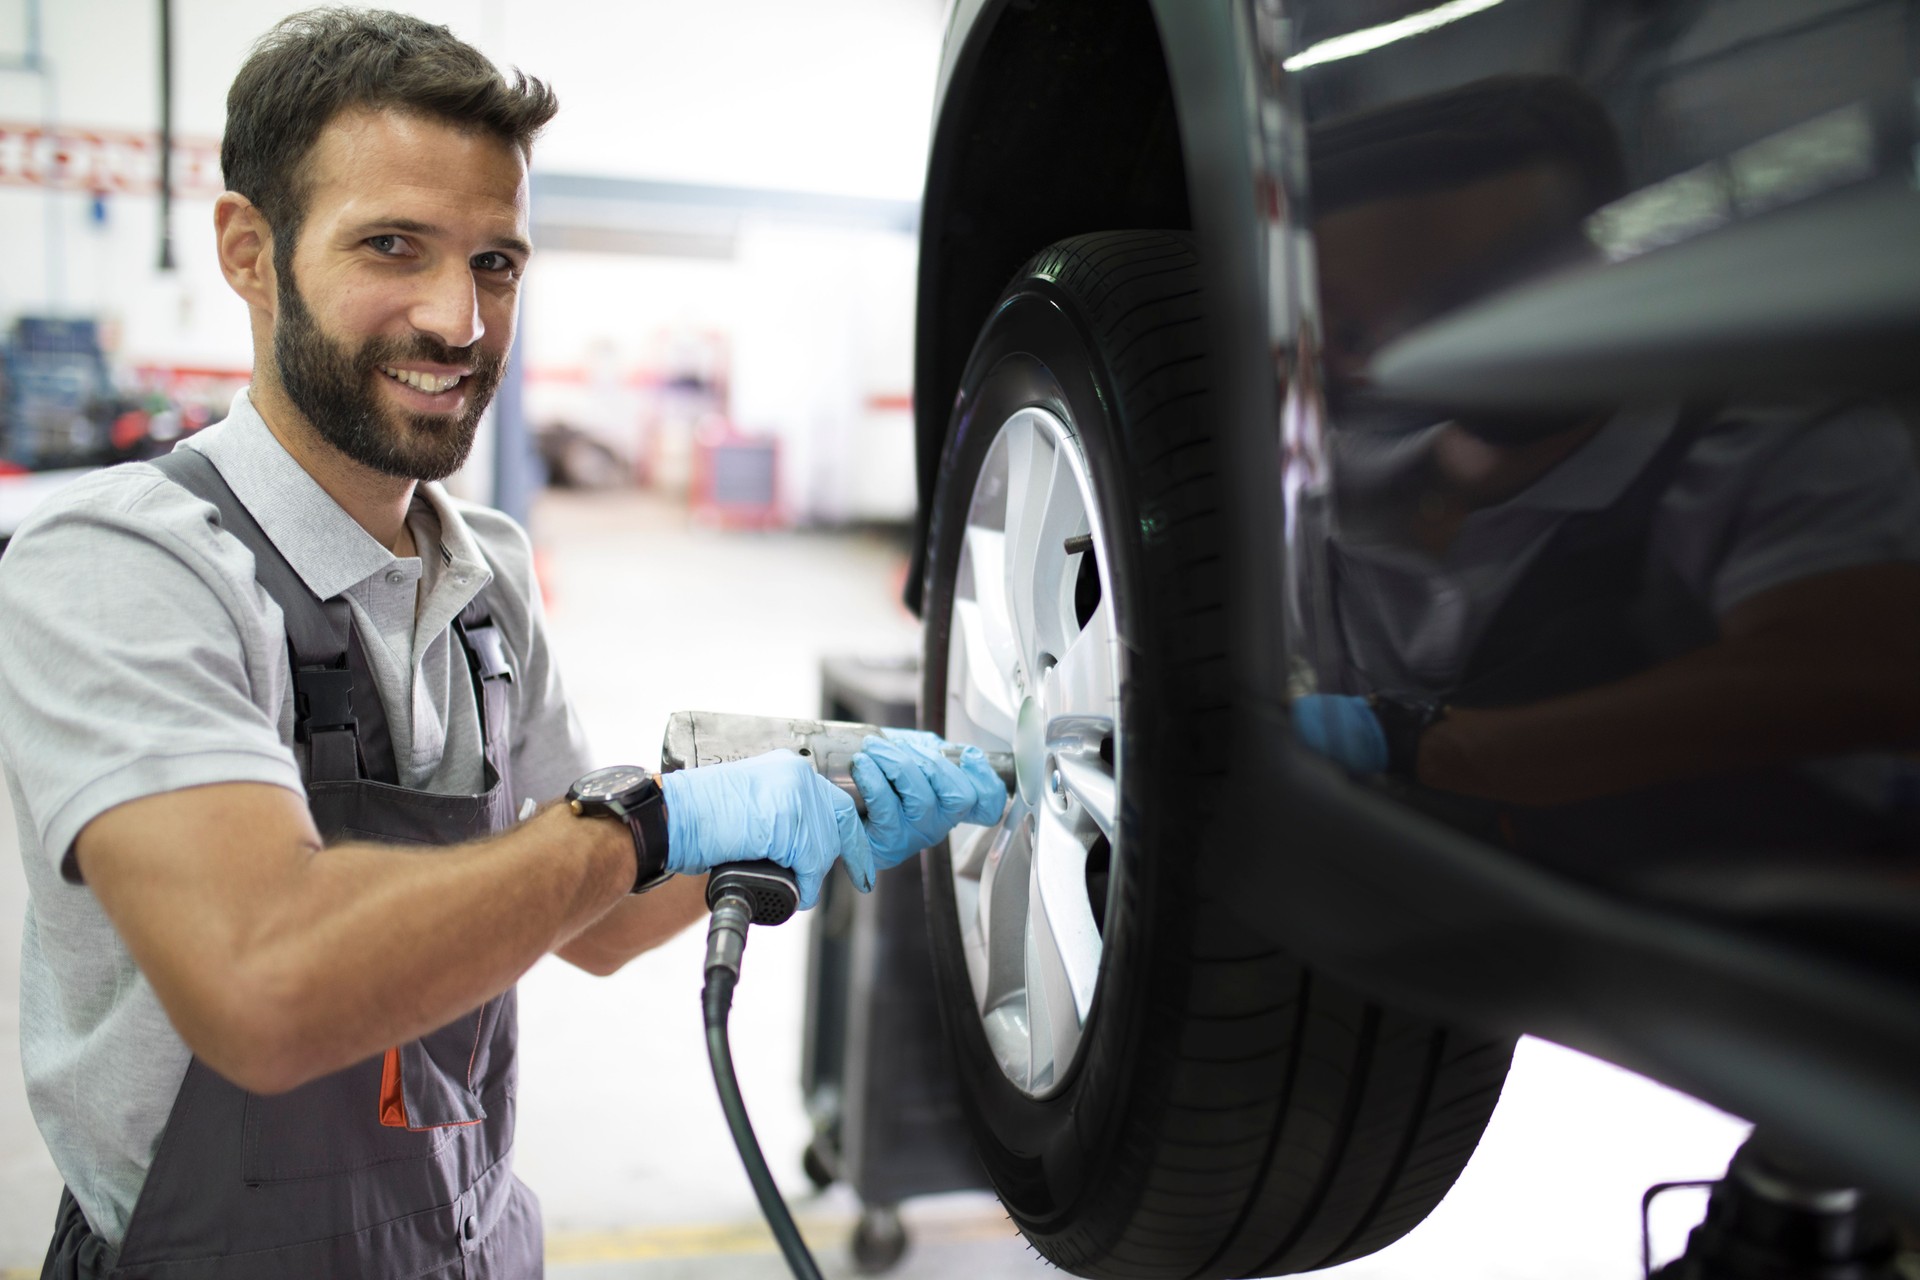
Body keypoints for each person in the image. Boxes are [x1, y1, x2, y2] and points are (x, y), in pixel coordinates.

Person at [0, 10, 1003, 1278]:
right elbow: (261, 979)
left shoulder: (487, 577)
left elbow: (587, 920)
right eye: (392, 247)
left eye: (497, 262)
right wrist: (651, 817)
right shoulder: (120, 565)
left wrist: (793, 817)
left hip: (469, 1249)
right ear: (249, 252)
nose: (460, 320)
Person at [1286, 76, 1920, 864]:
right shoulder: (1325, 501)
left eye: (1503, 276)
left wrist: (1421, 749)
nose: (1426, 339)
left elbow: (1853, 672)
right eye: (1350, 327)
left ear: (1602, 257)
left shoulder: (1773, 445)